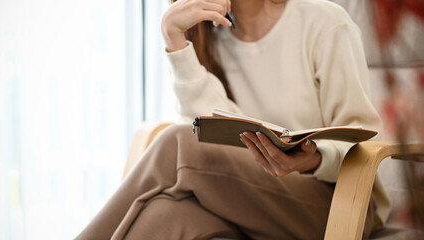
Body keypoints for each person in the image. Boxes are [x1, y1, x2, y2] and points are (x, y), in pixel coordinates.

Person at [76, 0, 389, 239]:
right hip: (248, 199)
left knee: (175, 142)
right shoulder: (211, 37)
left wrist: (312, 159)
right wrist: (175, 40)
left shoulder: (325, 23)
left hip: (340, 204)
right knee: (162, 213)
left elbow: (361, 138)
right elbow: (208, 136)